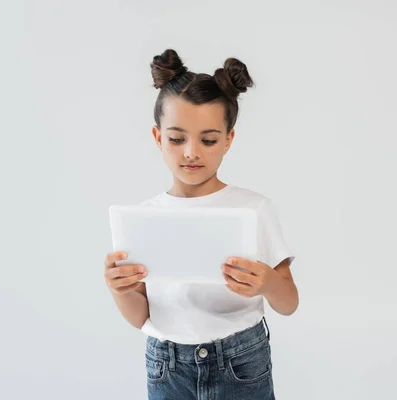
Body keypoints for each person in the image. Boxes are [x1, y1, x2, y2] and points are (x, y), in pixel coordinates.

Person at [103, 49, 298, 400]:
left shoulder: (253, 208)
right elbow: (140, 318)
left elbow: (288, 302)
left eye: (208, 140)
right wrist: (120, 289)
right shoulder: (145, 218)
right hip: (167, 364)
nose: (192, 152)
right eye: (177, 138)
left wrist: (267, 281)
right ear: (158, 137)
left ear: (228, 140)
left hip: (241, 361)